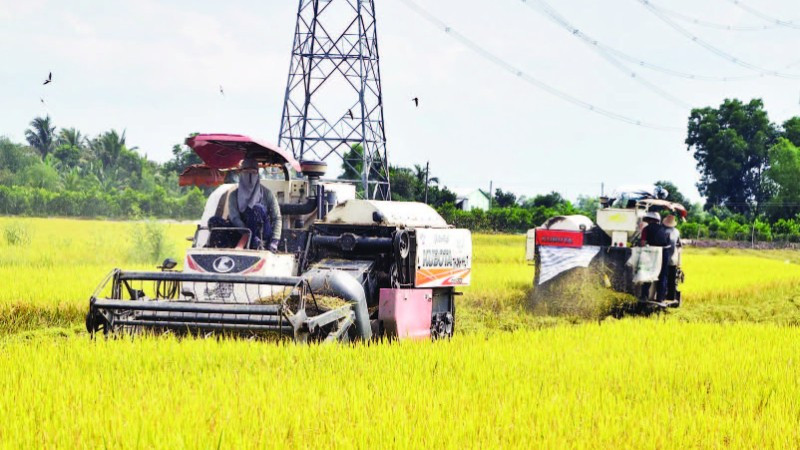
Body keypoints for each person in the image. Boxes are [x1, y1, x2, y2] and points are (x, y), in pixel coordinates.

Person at [209, 158, 281, 251]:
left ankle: (254, 243)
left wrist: (275, 240)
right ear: (241, 173)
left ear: (257, 174)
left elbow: (277, 218)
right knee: (214, 221)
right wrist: (247, 233)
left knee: (256, 209)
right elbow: (234, 217)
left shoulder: (267, 194)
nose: (250, 175)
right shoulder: (234, 195)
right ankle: (218, 251)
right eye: (246, 171)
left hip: (262, 232)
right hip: (240, 230)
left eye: (253, 172)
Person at [663, 214, 681, 300]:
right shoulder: (677, 231)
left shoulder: (664, 231)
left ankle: (662, 296)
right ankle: (671, 297)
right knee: (672, 279)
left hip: (664, 258)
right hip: (674, 259)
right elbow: (679, 245)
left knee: (663, 278)